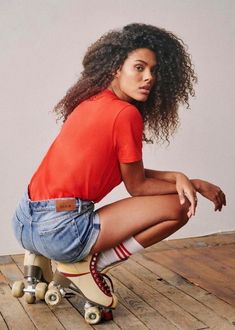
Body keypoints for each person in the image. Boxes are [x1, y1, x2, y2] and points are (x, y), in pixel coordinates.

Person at [12, 23, 226, 311]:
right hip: (61, 231)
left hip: (25, 220)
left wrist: (183, 177)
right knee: (180, 205)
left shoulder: (89, 102)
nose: (149, 77)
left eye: (153, 70)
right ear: (116, 68)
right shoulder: (125, 114)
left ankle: (41, 255)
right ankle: (89, 265)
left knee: (183, 190)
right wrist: (189, 185)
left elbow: (126, 171)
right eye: (139, 67)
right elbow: (137, 186)